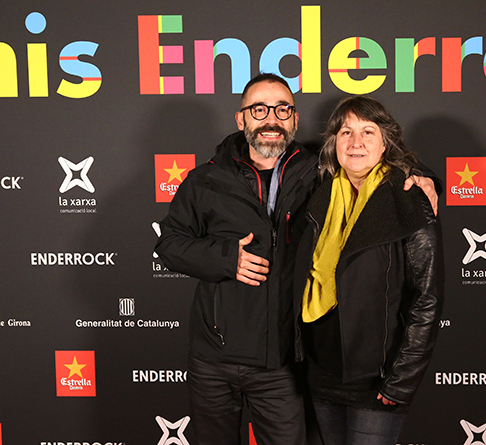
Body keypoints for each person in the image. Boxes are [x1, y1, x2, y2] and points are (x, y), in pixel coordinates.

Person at [155, 74, 439, 445]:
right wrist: (225, 258)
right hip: (213, 358)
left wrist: (422, 177)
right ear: (241, 119)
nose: (271, 119)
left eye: (282, 109)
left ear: (295, 119)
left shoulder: (317, 171)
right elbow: (169, 244)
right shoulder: (205, 179)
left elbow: (368, 164)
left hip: (282, 364)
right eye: (259, 110)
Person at [294, 95, 445, 445]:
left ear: (385, 142)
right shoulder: (318, 196)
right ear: (334, 143)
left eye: (368, 132)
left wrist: (400, 382)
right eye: (346, 132)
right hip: (321, 374)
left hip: (377, 380)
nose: (356, 142)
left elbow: (426, 300)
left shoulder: (409, 199)